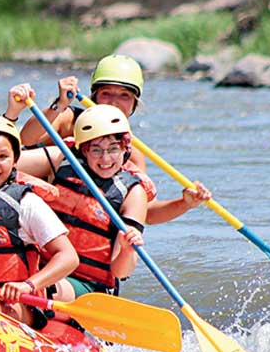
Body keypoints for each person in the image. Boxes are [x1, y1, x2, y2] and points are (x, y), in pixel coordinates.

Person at [17, 54, 211, 224]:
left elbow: (145, 214)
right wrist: (59, 104)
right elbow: (27, 139)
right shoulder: (69, 121)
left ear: (134, 104)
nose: (114, 102)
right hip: (35, 215)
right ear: (94, 96)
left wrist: (185, 203)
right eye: (106, 93)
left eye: (124, 96)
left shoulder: (131, 155)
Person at [0, 105, 79, 324]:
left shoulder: (26, 203)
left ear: (15, 160)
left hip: (15, 301)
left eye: (3, 156)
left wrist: (28, 285)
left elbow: (68, 257)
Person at [17, 100, 147, 302]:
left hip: (87, 286)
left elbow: (121, 272)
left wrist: (127, 250)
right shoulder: (63, 158)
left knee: (47, 288)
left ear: (125, 149)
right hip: (39, 266)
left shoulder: (133, 193)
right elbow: (2, 165)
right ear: (84, 150)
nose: (105, 159)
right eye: (96, 150)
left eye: (113, 149)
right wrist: (12, 112)